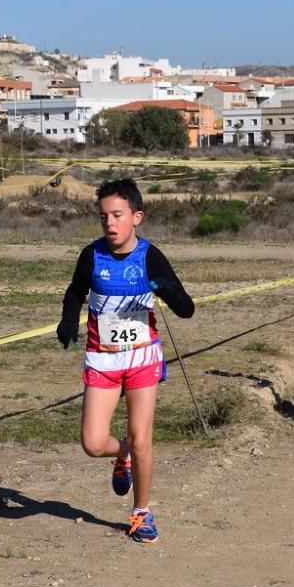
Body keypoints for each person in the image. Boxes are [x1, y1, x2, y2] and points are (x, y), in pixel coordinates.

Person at [57, 178, 195, 542]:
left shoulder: (149, 256)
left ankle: (141, 513)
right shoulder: (92, 255)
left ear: (136, 217)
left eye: (117, 215)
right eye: (104, 217)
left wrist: (166, 289)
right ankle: (124, 456)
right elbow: (75, 292)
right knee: (92, 442)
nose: (110, 224)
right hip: (102, 359)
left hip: (142, 359)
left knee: (142, 436)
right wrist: (69, 320)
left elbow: (187, 309)